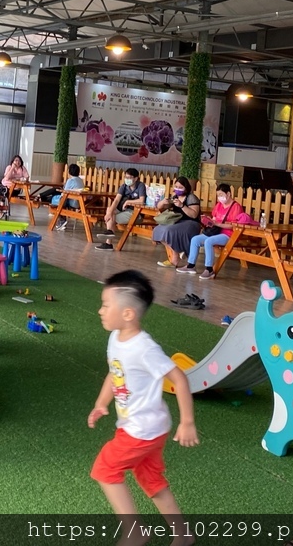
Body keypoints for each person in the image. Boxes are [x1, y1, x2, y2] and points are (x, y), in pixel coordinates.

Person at [88, 270, 198, 543]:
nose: (100, 310)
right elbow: (115, 373)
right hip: (148, 427)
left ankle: (135, 531)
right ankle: (183, 535)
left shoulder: (144, 347)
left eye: (106, 305)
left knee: (105, 469)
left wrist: (187, 422)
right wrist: (102, 403)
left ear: (128, 314)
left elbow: (179, 379)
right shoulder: (116, 338)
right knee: (151, 479)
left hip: (141, 429)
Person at [177, 183, 254, 282]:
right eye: (218, 195)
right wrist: (208, 221)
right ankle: (190, 265)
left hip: (228, 234)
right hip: (215, 232)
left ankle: (209, 269)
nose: (219, 197)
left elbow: (233, 226)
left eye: (221, 195)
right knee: (195, 239)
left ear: (228, 194)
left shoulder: (236, 207)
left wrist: (217, 224)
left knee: (209, 241)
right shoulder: (218, 205)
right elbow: (214, 218)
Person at [152, 178, 201, 268]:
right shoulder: (175, 196)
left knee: (169, 231)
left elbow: (194, 215)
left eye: (180, 187)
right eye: (176, 187)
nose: (178, 189)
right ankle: (178, 252)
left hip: (191, 223)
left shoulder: (191, 197)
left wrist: (182, 205)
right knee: (158, 229)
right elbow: (159, 207)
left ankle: (174, 259)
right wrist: (162, 202)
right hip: (178, 222)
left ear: (186, 188)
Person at [94, 168, 146, 251]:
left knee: (112, 219)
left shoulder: (140, 186)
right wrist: (109, 213)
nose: (127, 179)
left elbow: (142, 200)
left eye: (129, 177)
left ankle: (108, 242)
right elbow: (116, 200)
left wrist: (128, 202)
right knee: (109, 210)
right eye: (126, 177)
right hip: (123, 210)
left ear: (136, 178)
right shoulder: (124, 186)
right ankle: (109, 233)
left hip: (135, 213)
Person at [54, 163, 86, 231]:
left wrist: (60, 197)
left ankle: (62, 221)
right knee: (63, 200)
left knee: (62, 200)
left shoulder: (70, 180)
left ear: (69, 171)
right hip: (80, 202)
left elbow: (65, 192)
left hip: (74, 202)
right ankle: (62, 221)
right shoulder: (80, 180)